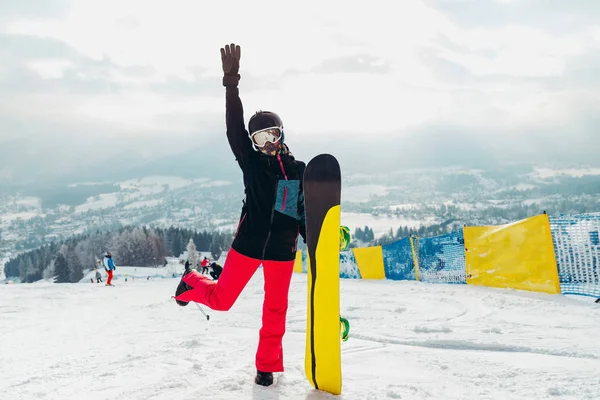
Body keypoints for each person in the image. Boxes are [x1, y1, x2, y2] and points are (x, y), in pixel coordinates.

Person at [174, 43, 307, 387]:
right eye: (259, 138)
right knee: (221, 300)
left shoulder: (297, 170)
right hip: (249, 244)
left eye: (271, 135)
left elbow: (301, 211)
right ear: (253, 141)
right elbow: (233, 129)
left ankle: (265, 366)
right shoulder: (252, 165)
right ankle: (191, 281)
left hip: (281, 250)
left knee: (275, 312)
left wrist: (312, 236)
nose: (267, 143)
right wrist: (231, 85)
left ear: (281, 134)